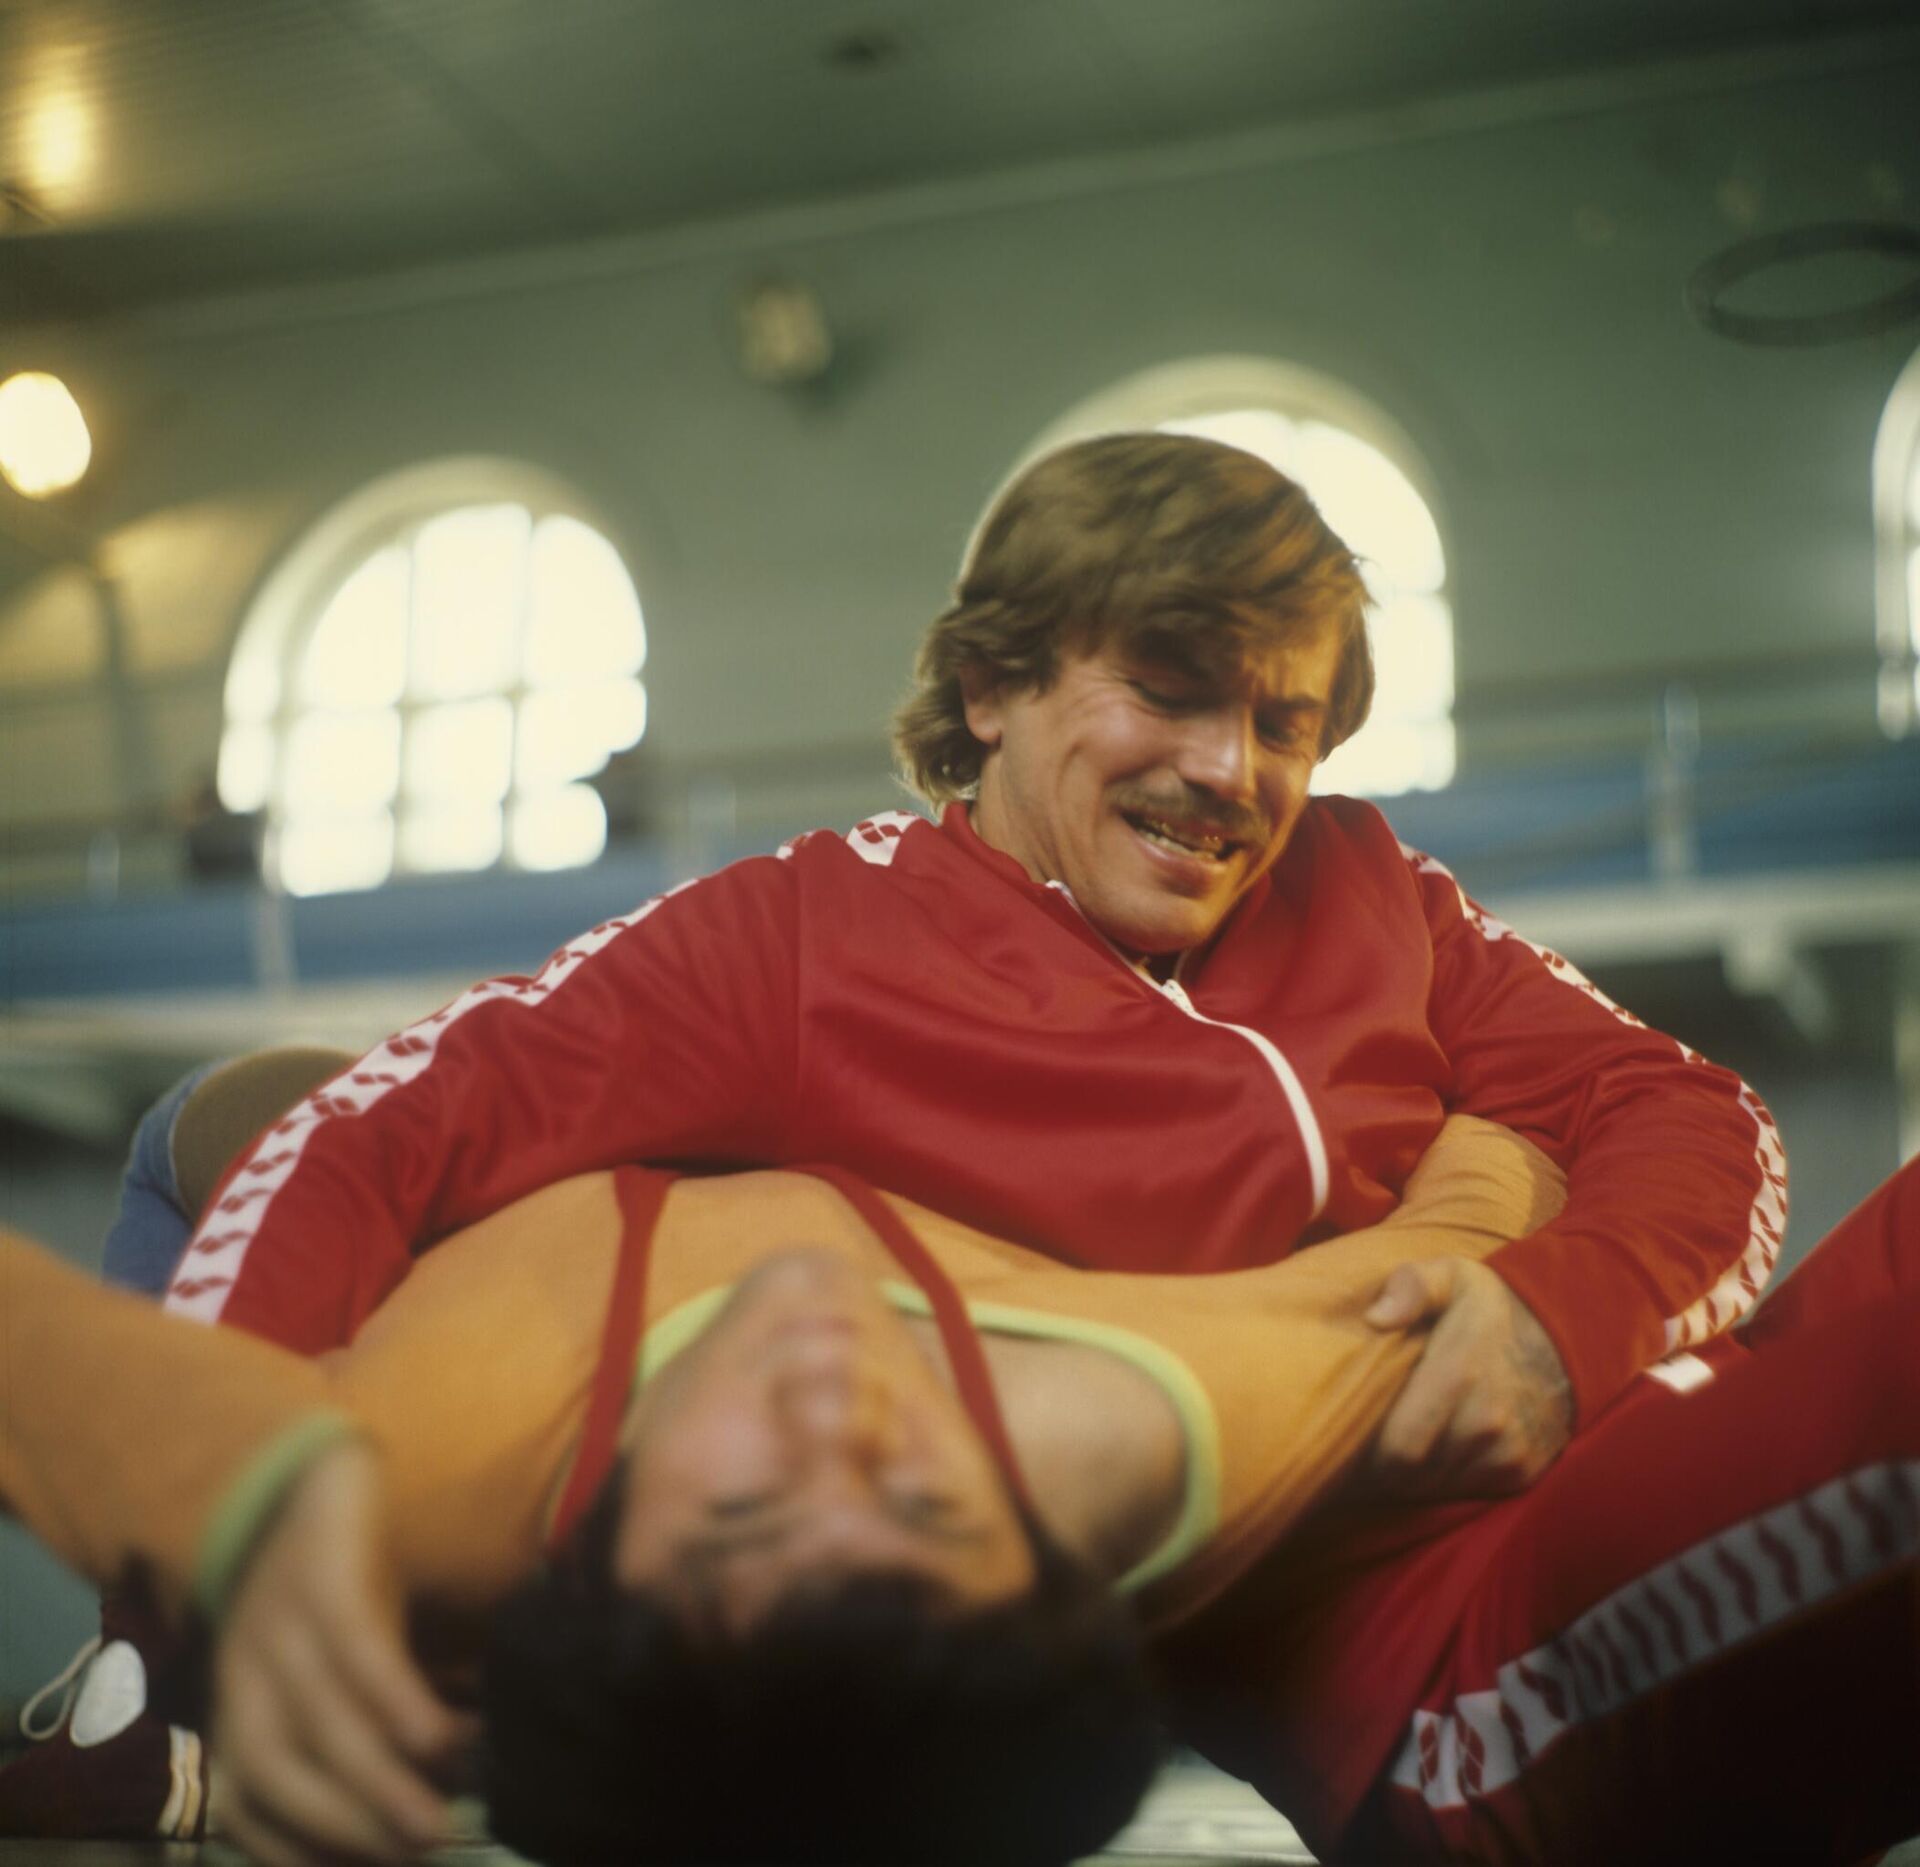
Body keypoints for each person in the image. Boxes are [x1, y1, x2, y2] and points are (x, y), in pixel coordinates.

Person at [143, 431, 1907, 1859]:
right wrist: (203, 1593)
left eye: (1283, 721)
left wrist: (1558, 1315)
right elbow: (369, 1135)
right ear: (991, 686)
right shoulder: (803, 943)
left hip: (1667, 1390)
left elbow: (1690, 1113)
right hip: (1467, 1634)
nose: (1231, 769)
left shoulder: (1372, 885)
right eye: (1170, 690)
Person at [3, 1113, 1563, 1863]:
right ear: (1031, 1527)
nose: (833, 1409)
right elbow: (1498, 1179)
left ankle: (145, 1662)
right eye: (926, 1499)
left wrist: (211, 1511)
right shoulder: (1150, 1415)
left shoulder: (398, 1470)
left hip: (409, 1198)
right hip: (654, 1112)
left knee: (199, 1127)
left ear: (589, 1554)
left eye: (743, 1509)